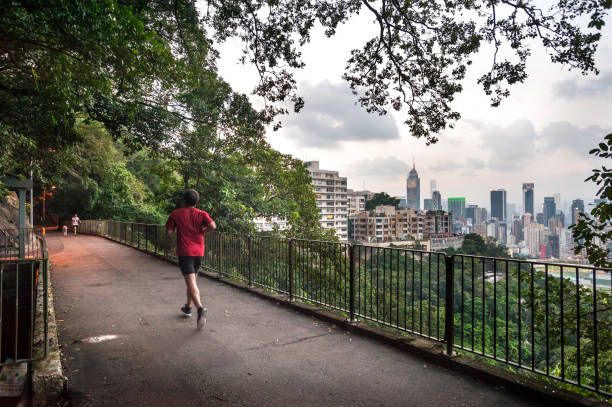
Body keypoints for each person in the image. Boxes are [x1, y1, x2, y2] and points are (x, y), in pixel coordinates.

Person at [165, 189, 216, 330]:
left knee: (191, 281)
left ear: (184, 200)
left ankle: (200, 308)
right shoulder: (202, 214)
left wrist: (176, 228)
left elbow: (169, 232)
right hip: (199, 251)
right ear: (196, 200)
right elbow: (213, 226)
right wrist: (202, 231)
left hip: (185, 251)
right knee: (192, 280)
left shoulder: (176, 214)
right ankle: (188, 307)